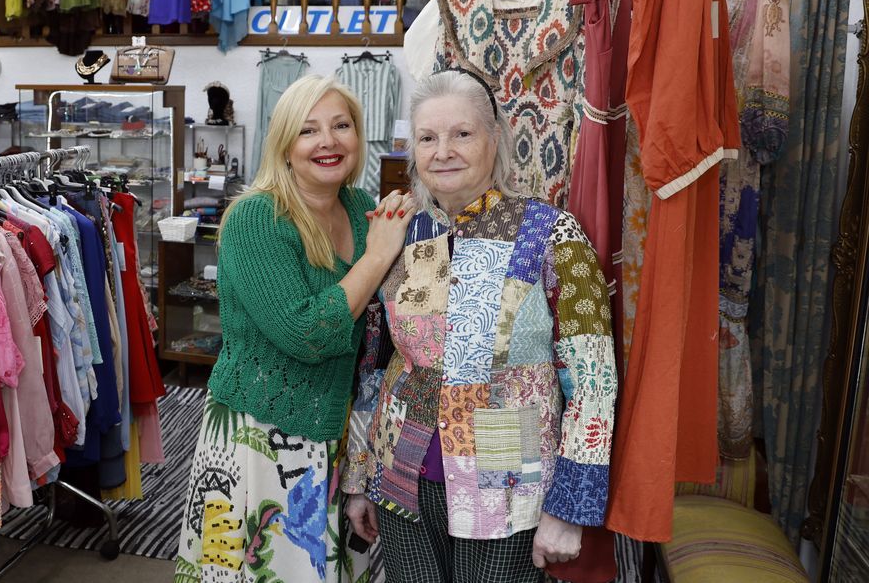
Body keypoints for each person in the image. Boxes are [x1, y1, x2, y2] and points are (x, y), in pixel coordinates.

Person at [342, 70, 619, 582]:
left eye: (462, 134)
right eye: (427, 137)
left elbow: (594, 380)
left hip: (506, 482)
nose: (442, 150)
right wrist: (360, 476)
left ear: (496, 139)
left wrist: (567, 510)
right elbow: (374, 361)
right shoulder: (398, 233)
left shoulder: (550, 233)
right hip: (402, 471)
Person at [176, 75, 416, 582]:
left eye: (341, 126)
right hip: (261, 436)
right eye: (309, 131)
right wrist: (377, 256)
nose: (328, 142)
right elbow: (306, 333)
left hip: (336, 431)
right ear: (285, 145)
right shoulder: (256, 219)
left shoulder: (357, 206)